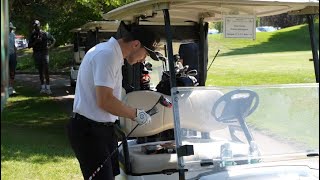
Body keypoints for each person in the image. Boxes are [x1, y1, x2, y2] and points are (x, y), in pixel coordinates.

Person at [67, 26, 160, 180]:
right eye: (146, 54)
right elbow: (105, 101)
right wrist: (135, 114)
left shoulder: (113, 55)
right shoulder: (107, 55)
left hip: (102, 129)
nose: (144, 59)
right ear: (136, 44)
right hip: (90, 131)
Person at [28, 20, 56, 94]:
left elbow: (53, 40)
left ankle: (48, 87)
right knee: (40, 71)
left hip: (44, 53)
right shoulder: (33, 34)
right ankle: (43, 87)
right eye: (34, 26)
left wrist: (50, 47)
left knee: (46, 70)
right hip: (37, 53)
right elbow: (29, 46)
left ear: (39, 25)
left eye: (37, 25)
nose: (36, 27)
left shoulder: (45, 33)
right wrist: (35, 42)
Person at [8, 22, 17, 96]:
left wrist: (15, 54)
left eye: (11, 28)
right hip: (5, 56)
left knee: (12, 72)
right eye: (9, 28)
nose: (10, 29)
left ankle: (11, 88)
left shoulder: (13, 35)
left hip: (12, 55)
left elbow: (14, 45)